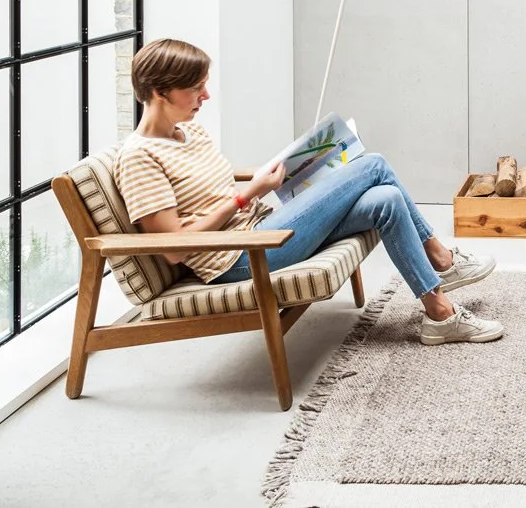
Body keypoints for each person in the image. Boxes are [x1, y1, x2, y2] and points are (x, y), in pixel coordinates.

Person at [114, 38, 503, 345]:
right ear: (160, 92)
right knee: (374, 164)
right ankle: (442, 260)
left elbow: (207, 185)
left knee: (385, 199)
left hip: (261, 229)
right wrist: (248, 194)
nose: (206, 96)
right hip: (241, 258)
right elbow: (174, 247)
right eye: (196, 88)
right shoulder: (139, 158)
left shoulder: (189, 132)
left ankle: (439, 313)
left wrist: (281, 172)